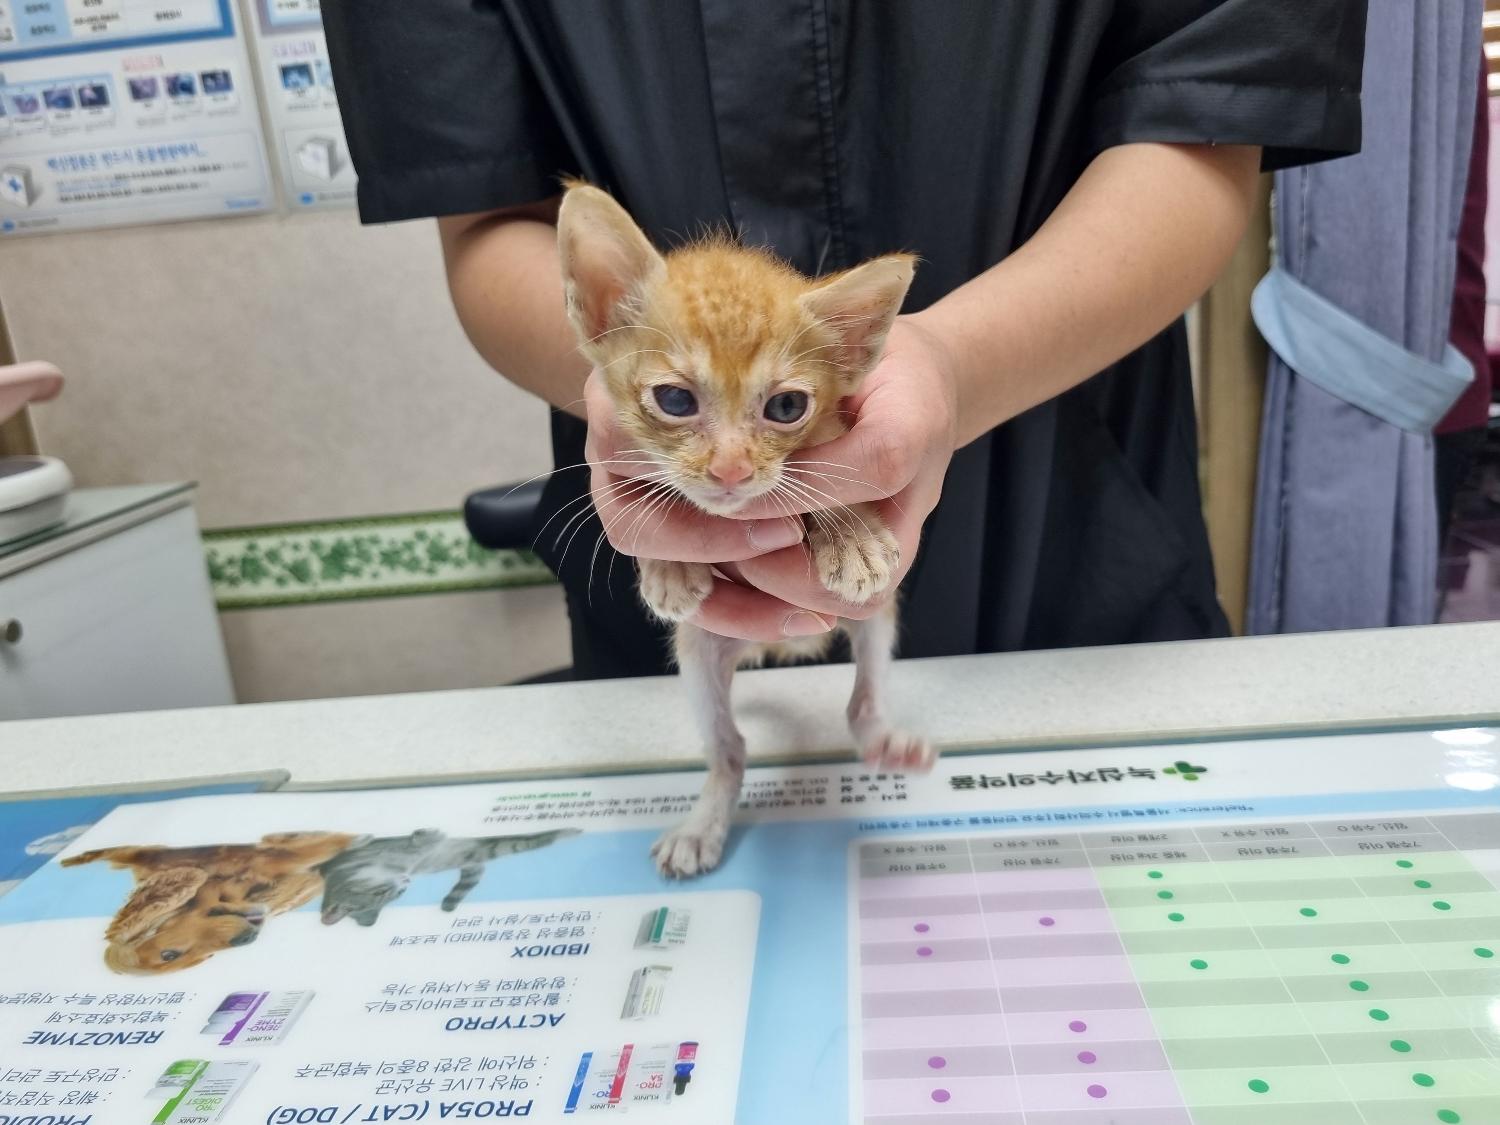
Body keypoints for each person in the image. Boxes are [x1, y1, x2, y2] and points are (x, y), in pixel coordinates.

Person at [323, 1, 1367, 679]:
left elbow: (1207, 122)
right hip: (673, 611)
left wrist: (956, 361)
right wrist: (621, 383)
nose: (736, 459)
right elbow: (485, 212)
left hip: (1064, 559)